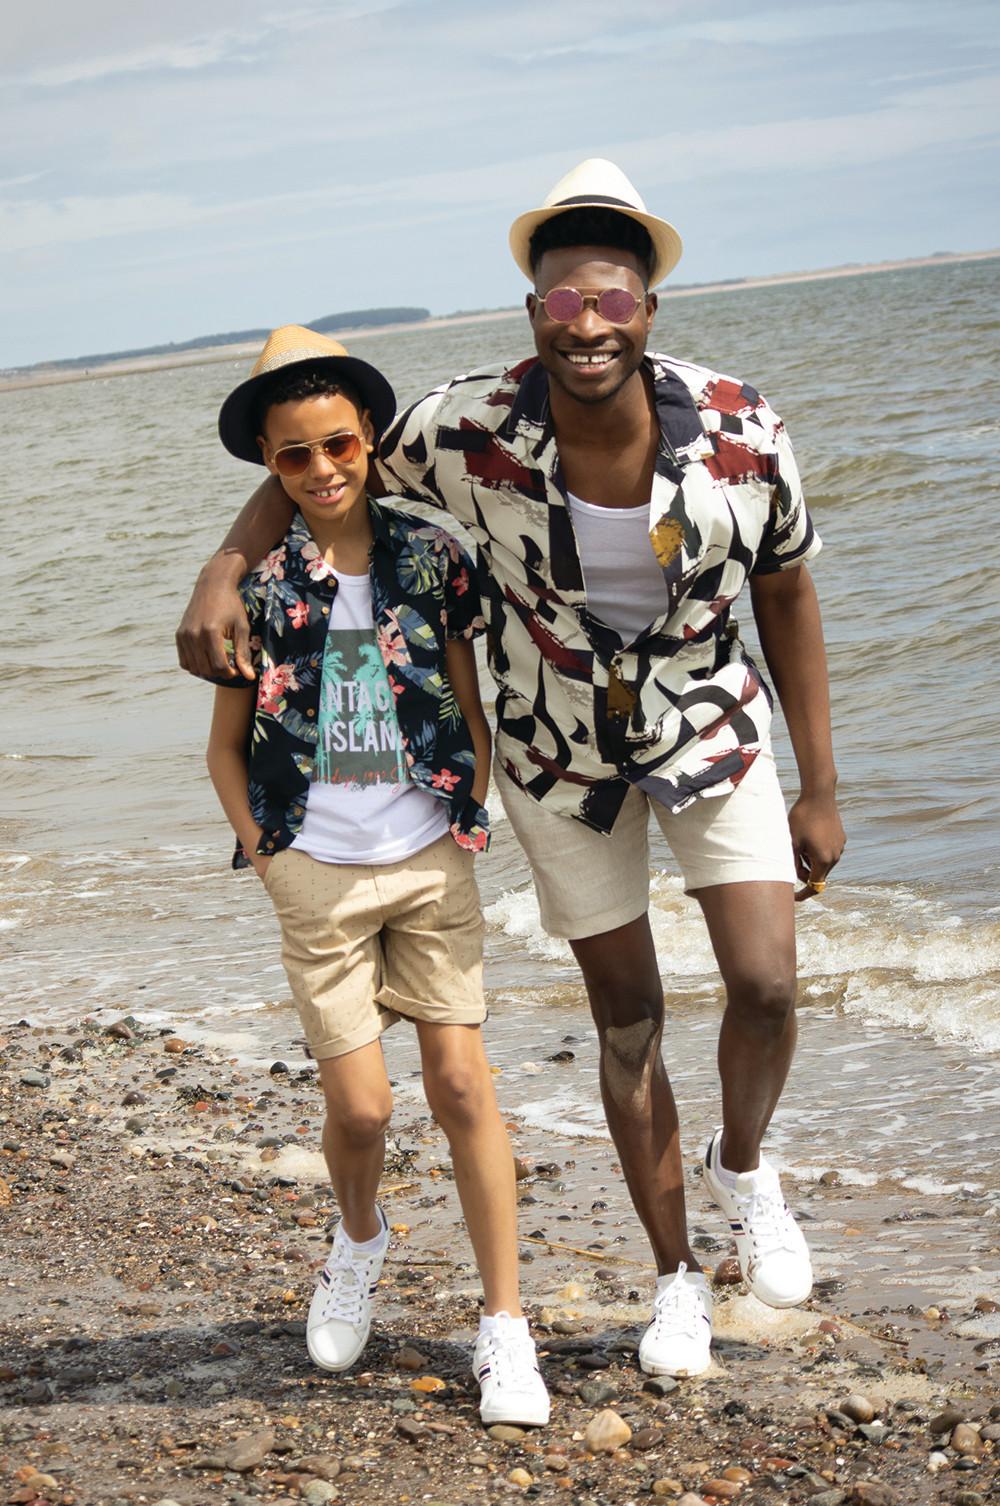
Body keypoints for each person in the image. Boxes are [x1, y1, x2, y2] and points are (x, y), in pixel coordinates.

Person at [180, 160, 846, 1379]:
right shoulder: (466, 425)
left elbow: (787, 589)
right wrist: (227, 566)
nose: (585, 322)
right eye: (560, 300)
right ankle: (674, 1282)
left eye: (610, 298)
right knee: (629, 1019)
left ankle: (744, 1170)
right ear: (531, 309)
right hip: (554, 749)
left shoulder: (743, 426)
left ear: (647, 306)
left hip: (711, 726)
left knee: (763, 983)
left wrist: (820, 782)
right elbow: (327, 466)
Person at [203, 325, 550, 1426]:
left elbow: (468, 694)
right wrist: (267, 857)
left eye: (339, 445)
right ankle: (359, 1240)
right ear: (271, 464)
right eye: (295, 456)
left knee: (461, 1090)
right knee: (360, 1108)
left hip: (430, 860)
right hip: (316, 874)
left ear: (367, 442)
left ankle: (505, 1328)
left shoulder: (431, 555)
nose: (322, 470)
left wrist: (468, 813)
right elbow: (222, 746)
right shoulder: (256, 592)